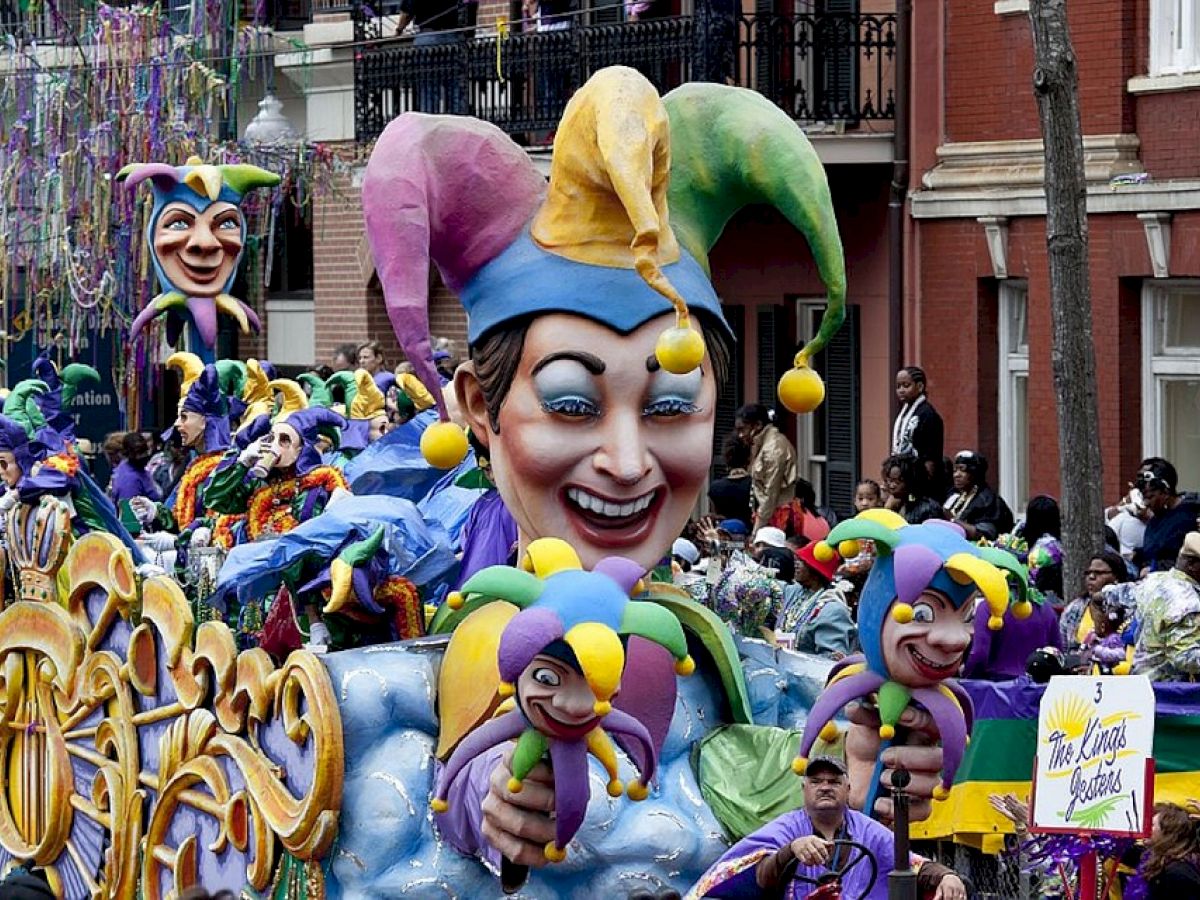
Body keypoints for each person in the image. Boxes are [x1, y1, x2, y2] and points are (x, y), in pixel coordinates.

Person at [691, 755, 967, 899]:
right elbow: (760, 875)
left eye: (834, 782)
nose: (824, 786)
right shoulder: (786, 828)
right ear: (804, 789)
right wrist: (791, 851)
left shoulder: (868, 830)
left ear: (848, 789)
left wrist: (946, 876)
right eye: (816, 781)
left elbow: (911, 865)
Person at [1133, 533, 1200, 682]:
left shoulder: (1154, 580)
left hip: (1141, 682)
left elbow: (1123, 593)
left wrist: (1102, 595)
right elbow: (1184, 656)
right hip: (1170, 691)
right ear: (1192, 565)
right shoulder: (1187, 601)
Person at [778, 542, 856, 658]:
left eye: (802, 562)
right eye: (796, 560)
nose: (796, 565)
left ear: (815, 571)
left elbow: (830, 661)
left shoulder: (832, 610)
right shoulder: (794, 592)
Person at [735, 403, 798, 531]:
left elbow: (771, 494)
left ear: (757, 425)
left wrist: (757, 530)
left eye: (742, 429)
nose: (740, 435)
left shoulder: (773, 449)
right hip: (767, 513)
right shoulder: (762, 444)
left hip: (777, 516)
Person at [1133, 459, 1200, 574]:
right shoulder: (1155, 521)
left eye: (1151, 497)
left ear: (1165, 491)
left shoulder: (1190, 515)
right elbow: (1153, 553)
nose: (1147, 504)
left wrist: (1154, 568)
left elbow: (1187, 558)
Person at [1059, 550, 1130, 650]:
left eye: (1099, 573)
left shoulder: (1130, 610)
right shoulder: (1074, 609)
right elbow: (1063, 646)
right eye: (1088, 573)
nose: (1091, 577)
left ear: (1116, 576)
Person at [942, 450, 1013, 541]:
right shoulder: (955, 496)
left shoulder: (988, 500)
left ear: (975, 473)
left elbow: (984, 535)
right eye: (955, 470)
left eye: (962, 470)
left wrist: (952, 520)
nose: (956, 475)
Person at [891, 366, 944, 485]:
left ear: (920, 386)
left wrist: (926, 482)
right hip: (902, 476)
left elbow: (931, 456)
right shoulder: (904, 413)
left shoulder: (928, 415)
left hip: (919, 481)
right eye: (898, 386)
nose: (901, 390)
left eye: (906, 385)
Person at [1141, 803, 1200, 896]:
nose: (1145, 828)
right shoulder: (1152, 858)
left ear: (1168, 834)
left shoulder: (1179, 874)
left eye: (1151, 825)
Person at [708, 434, 753, 522]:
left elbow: (714, 516)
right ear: (748, 458)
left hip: (722, 533)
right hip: (750, 534)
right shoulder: (755, 485)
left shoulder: (715, 487)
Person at [110, 431, 162, 504]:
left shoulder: (140, 469)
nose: (143, 456)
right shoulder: (129, 479)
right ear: (128, 453)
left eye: (145, 451)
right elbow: (129, 512)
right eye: (138, 453)